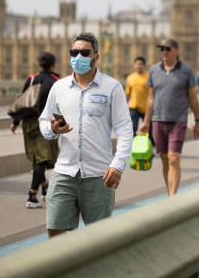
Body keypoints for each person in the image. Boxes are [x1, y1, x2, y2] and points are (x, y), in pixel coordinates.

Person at [39, 33, 133, 237]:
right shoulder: (59, 87)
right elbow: (44, 122)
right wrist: (54, 129)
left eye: (84, 52)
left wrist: (118, 165)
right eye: (74, 52)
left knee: (98, 238)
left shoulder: (112, 87)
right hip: (65, 170)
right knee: (54, 229)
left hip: (99, 175)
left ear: (96, 57)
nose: (78, 56)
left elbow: (125, 130)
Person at [137, 39, 199, 196]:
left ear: (176, 51)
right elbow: (151, 97)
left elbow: (193, 97)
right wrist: (146, 122)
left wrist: (197, 121)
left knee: (173, 158)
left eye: (168, 49)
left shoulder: (186, 70)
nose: (164, 52)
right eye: (162, 49)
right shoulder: (154, 70)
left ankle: (173, 197)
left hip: (178, 121)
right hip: (157, 121)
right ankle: (169, 193)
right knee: (165, 159)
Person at [10, 52, 61, 209]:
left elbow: (22, 103)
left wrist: (15, 122)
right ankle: (32, 195)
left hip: (29, 123)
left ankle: (45, 187)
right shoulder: (57, 81)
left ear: (40, 64)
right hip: (47, 122)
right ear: (53, 64)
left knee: (35, 157)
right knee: (42, 159)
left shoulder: (31, 79)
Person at [125, 57, 149, 135]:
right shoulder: (130, 78)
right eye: (137, 64)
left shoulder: (149, 77)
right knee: (133, 128)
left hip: (147, 108)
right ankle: (133, 145)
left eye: (141, 64)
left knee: (149, 129)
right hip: (134, 107)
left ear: (144, 65)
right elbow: (128, 93)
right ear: (134, 65)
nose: (138, 66)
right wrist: (124, 107)